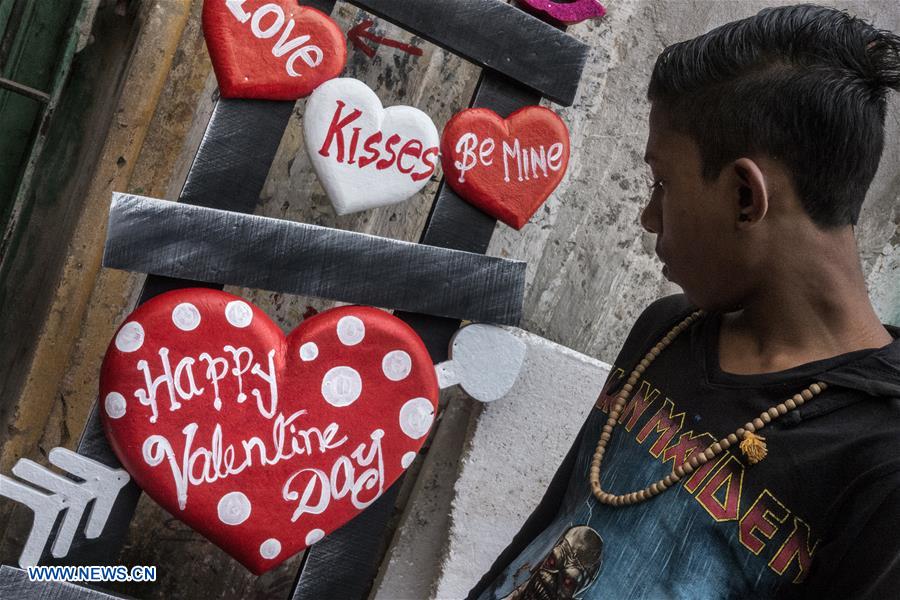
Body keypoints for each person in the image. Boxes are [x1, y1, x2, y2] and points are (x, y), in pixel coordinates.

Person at [467, 4, 900, 599]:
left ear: (746, 197)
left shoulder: (881, 457)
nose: (649, 217)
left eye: (662, 184)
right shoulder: (666, 331)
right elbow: (548, 530)